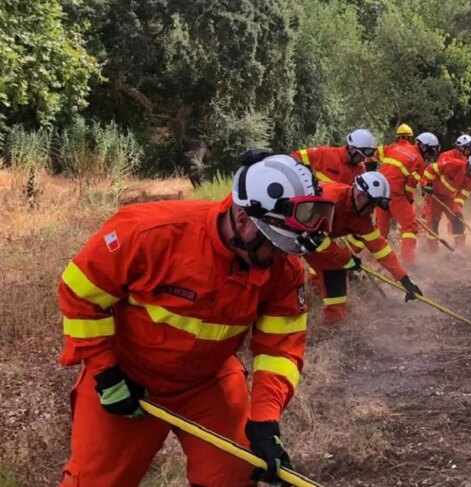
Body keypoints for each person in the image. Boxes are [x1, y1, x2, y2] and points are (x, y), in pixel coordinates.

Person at [57, 151, 334, 487]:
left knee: (233, 475)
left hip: (208, 381)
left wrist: (265, 422)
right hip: (129, 375)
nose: (280, 257)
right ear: (244, 220)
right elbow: (80, 292)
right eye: (275, 245)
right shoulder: (150, 232)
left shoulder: (283, 269)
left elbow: (280, 351)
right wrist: (105, 373)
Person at [304, 172, 423, 324]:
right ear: (361, 197)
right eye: (372, 205)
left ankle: (334, 322)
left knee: (334, 272)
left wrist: (404, 280)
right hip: (292, 234)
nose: (373, 211)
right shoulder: (329, 199)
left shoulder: (362, 218)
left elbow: (381, 249)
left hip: (315, 238)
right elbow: (315, 237)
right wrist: (346, 259)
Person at [376, 132, 441, 266]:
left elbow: (375, 154)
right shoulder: (419, 160)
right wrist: (408, 202)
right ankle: (408, 263)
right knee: (410, 228)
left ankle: (376, 262)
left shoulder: (395, 147)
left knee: (380, 230)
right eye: (430, 151)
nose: (430, 155)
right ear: (424, 147)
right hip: (395, 193)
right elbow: (410, 186)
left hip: (378, 191)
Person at [421, 153, 471, 251]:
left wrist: (457, 208)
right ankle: (433, 251)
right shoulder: (454, 164)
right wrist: (426, 184)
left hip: (449, 197)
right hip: (434, 196)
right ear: (470, 166)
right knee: (433, 223)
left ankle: (460, 248)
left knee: (458, 219)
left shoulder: (469, 181)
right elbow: (431, 168)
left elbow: (462, 196)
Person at [291, 129, 376, 185]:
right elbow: (293, 158)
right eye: (361, 156)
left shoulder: (360, 169)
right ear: (352, 149)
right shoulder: (324, 153)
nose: (364, 160)